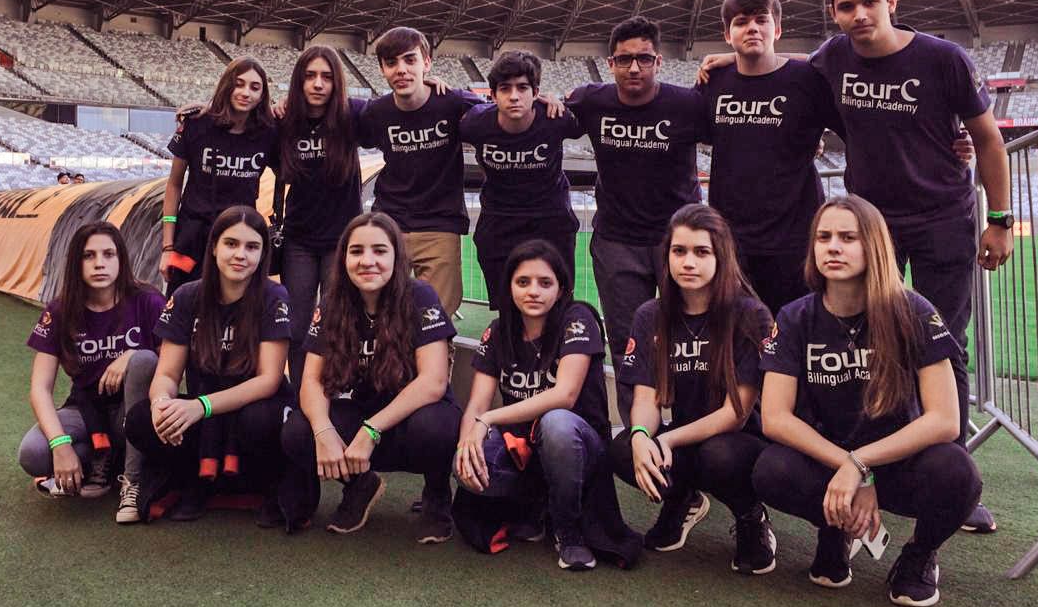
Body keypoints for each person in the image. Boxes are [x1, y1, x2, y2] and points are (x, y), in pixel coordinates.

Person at [809, 0, 1009, 533]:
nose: (859, 14)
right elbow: (787, 69)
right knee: (872, 343)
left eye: (870, 1)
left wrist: (999, 219)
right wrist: (729, 58)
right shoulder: (832, 58)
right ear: (834, 13)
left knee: (945, 344)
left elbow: (988, 140)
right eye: (846, 6)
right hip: (872, 226)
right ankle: (872, 463)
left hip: (944, 218)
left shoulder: (943, 58)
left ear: (891, 2)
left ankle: (954, 479)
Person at [753, 195, 983, 607]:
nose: (833, 247)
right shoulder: (794, 317)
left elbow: (946, 420)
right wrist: (850, 469)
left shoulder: (913, 311)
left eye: (848, 238)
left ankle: (920, 554)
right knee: (771, 469)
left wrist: (862, 465)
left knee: (958, 472)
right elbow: (774, 417)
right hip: (829, 461)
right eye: (823, 237)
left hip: (899, 461)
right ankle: (836, 527)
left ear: (874, 246)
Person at [455, 239, 638, 571]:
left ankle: (568, 531)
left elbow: (564, 395)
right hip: (523, 450)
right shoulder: (498, 331)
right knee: (469, 464)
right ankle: (532, 510)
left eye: (545, 283)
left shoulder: (577, 318)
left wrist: (488, 420)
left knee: (557, 422)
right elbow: (477, 405)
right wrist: (465, 447)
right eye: (523, 282)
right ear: (509, 287)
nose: (533, 291)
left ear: (561, 288)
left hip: (579, 448)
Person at [612, 204, 776, 574]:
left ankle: (751, 516)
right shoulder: (651, 315)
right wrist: (641, 436)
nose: (688, 262)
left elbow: (735, 414)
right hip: (686, 438)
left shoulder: (750, 315)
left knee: (718, 455)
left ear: (722, 257)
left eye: (702, 252)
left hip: (742, 441)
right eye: (679, 251)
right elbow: (646, 398)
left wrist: (666, 441)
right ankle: (682, 500)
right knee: (623, 449)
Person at [280, 211, 461, 541]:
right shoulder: (334, 302)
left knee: (435, 426)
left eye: (379, 251)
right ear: (343, 258)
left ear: (397, 257)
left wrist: (371, 430)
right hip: (366, 416)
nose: (367, 261)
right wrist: (323, 431)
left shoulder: (420, 296)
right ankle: (359, 484)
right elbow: (311, 381)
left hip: (412, 421)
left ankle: (437, 493)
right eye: (356, 251)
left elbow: (433, 382)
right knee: (298, 430)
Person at [565, 16, 708, 424]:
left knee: (695, 340)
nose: (634, 68)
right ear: (610, 63)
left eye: (643, 59)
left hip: (678, 241)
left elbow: (742, 135)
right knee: (628, 343)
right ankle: (638, 435)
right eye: (624, 59)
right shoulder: (591, 101)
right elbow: (535, 112)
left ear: (658, 62)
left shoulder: (687, 104)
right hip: (617, 241)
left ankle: (693, 434)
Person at [124, 206, 292, 524]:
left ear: (263, 254)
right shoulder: (187, 296)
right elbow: (167, 374)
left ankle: (265, 486)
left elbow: (268, 380)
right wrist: (161, 404)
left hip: (251, 409)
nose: (240, 255)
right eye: (231, 244)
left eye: (252, 247)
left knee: (260, 420)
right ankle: (197, 480)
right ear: (214, 247)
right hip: (203, 412)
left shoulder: (274, 296)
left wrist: (202, 406)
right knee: (140, 420)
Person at [698, 0, 844, 314]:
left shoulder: (808, 80)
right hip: (731, 241)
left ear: (777, 29)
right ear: (727, 34)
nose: (752, 27)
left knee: (794, 330)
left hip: (796, 240)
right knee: (738, 333)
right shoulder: (713, 82)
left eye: (761, 20)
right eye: (741, 21)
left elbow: (860, 130)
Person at [16, 222, 165, 523]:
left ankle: (132, 479)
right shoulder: (60, 310)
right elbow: (40, 389)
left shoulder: (147, 301)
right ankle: (102, 458)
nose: (99, 263)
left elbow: (175, 362)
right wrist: (60, 445)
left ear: (121, 259)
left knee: (144, 359)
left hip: (135, 411)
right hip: (86, 409)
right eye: (89, 255)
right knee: (33, 453)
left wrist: (131, 355)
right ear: (76, 262)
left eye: (108, 254)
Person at [355, 27, 484, 315]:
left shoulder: (453, 102)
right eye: (391, 62)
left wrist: (544, 101)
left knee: (437, 317)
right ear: (382, 69)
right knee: (380, 314)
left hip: (440, 226)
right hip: (390, 223)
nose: (401, 69)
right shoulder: (376, 112)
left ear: (427, 62)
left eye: (410, 60)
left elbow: (502, 112)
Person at [275, 45, 368, 390]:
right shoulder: (284, 121)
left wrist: (428, 83)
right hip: (299, 239)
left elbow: (398, 109)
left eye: (327, 77)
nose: (318, 84)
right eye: (310, 76)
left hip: (342, 240)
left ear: (337, 82)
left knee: (335, 323)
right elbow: (237, 118)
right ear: (298, 81)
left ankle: (334, 392)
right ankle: (302, 394)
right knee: (297, 325)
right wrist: (201, 111)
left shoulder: (352, 115)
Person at [459, 51, 582, 306]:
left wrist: (558, 100)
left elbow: (595, 110)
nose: (514, 96)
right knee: (507, 306)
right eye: (505, 88)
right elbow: (443, 105)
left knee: (557, 304)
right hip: (499, 221)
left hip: (551, 220)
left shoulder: (556, 119)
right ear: (493, 95)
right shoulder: (475, 123)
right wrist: (431, 82)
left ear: (536, 92)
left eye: (522, 88)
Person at [160, 57, 277, 294]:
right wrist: (167, 246)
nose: (246, 93)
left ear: (262, 95)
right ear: (226, 85)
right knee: (182, 306)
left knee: (234, 309)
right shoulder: (196, 124)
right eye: (238, 84)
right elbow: (174, 185)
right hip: (191, 239)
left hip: (239, 243)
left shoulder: (269, 132)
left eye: (255, 87)